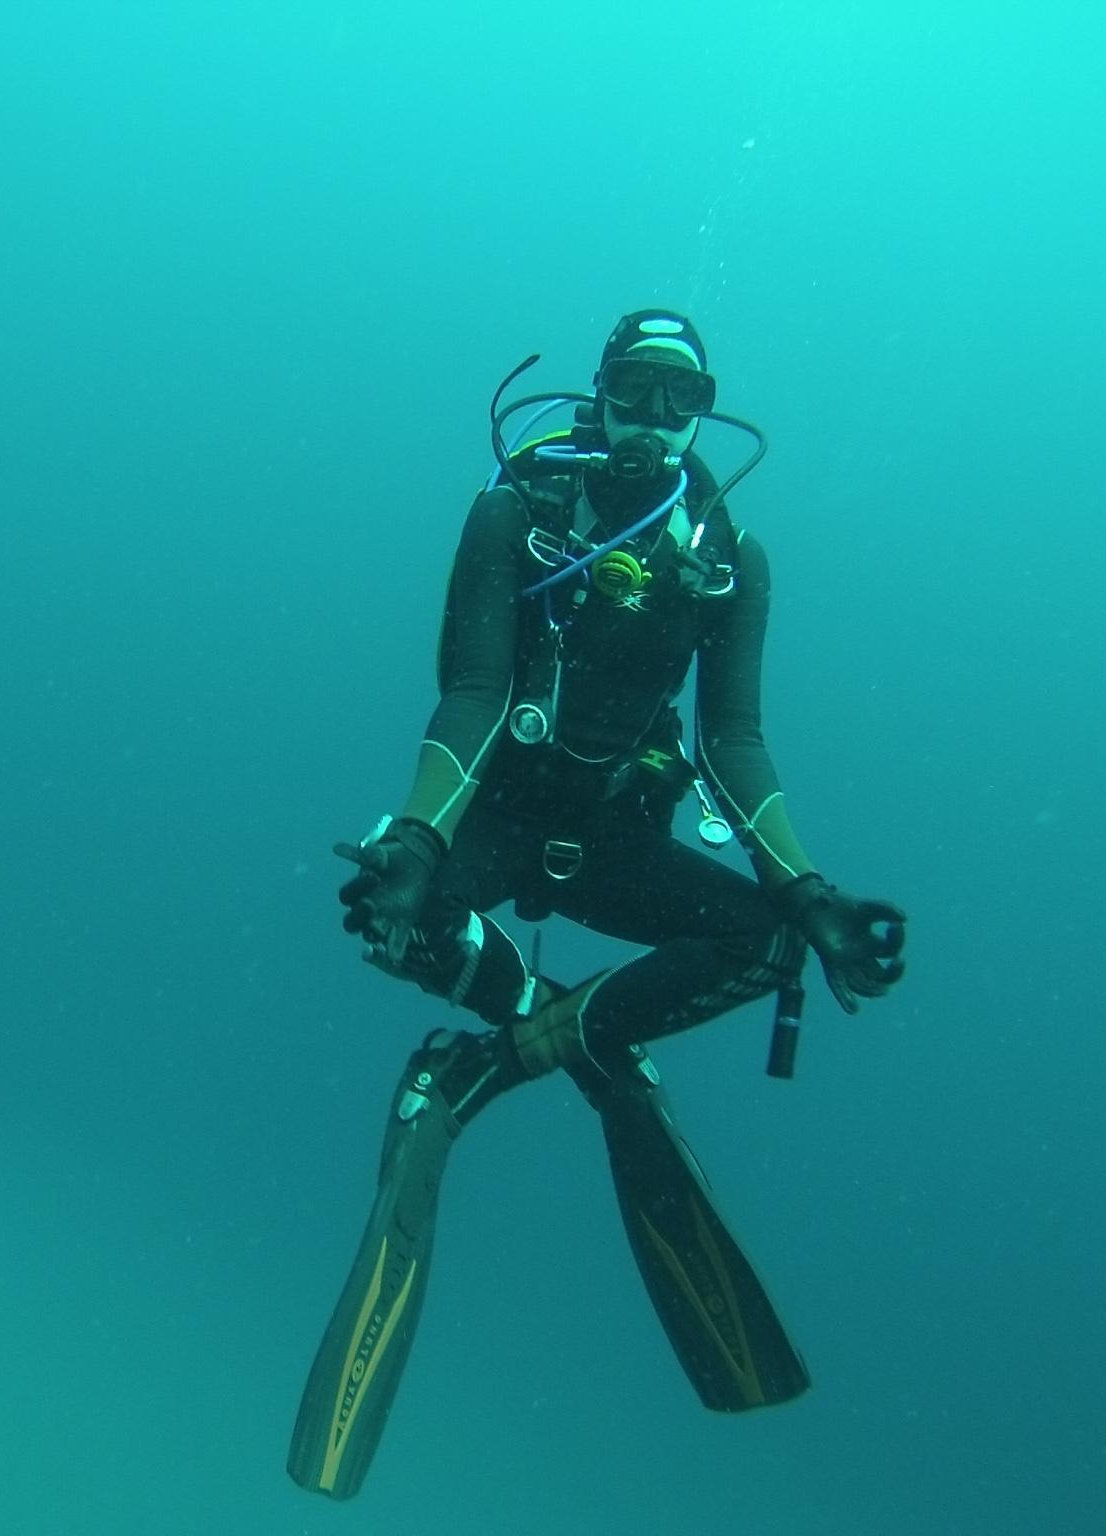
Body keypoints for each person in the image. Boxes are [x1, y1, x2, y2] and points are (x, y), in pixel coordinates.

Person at [286, 309, 910, 1500]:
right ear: (598, 391)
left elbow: (733, 737)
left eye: (683, 400)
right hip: (502, 817)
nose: (655, 420)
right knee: (385, 913)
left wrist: (807, 891)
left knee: (769, 945)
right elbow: (473, 690)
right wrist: (415, 841)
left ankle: (491, 1060)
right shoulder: (516, 514)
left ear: (706, 412)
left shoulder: (728, 557)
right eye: (635, 389)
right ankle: (580, 1033)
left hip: (618, 835)